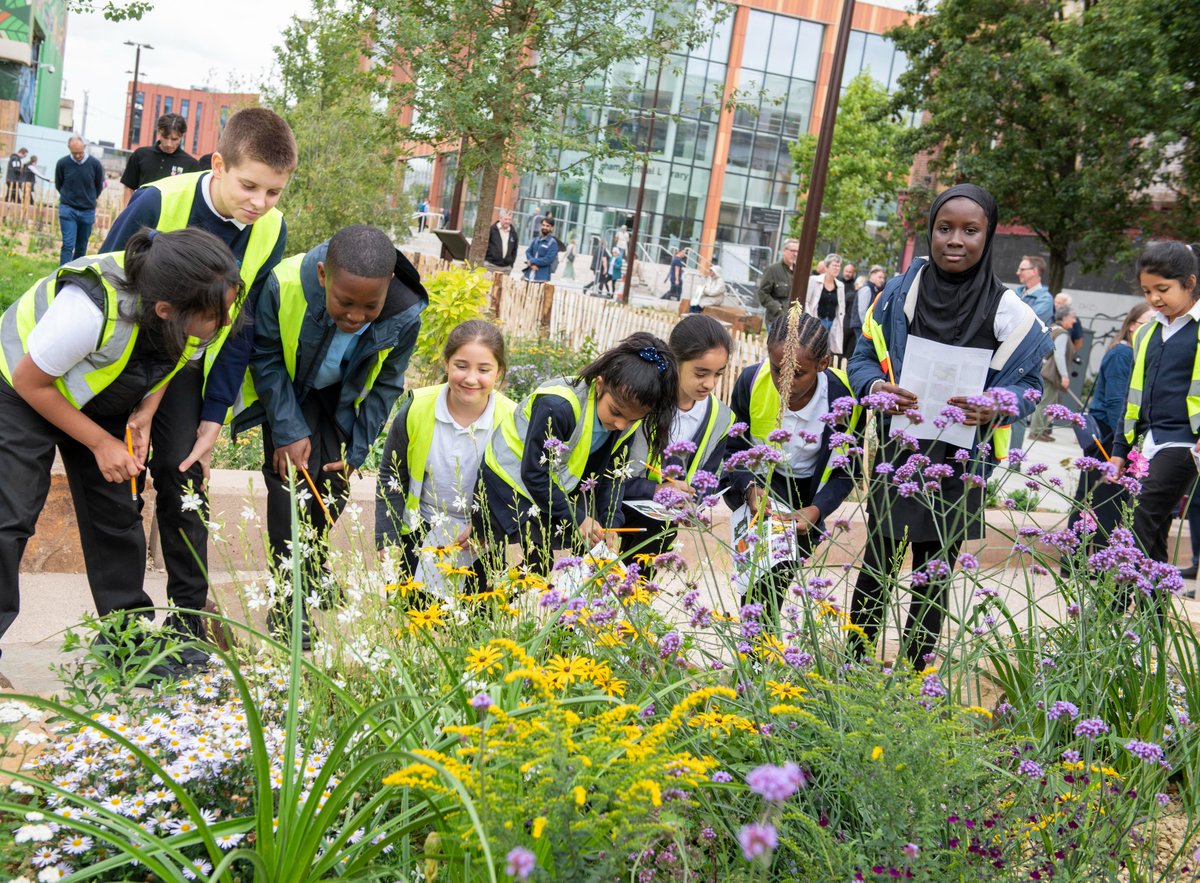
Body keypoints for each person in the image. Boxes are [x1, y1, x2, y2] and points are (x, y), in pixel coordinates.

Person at [0, 228, 242, 674]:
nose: (225, 323)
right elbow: (31, 382)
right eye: (216, 317)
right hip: (22, 388)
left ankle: (124, 640)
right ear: (166, 310)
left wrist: (146, 410)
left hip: (97, 396)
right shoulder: (89, 311)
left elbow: (181, 353)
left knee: (117, 514)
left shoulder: (196, 302)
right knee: (10, 517)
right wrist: (98, 441)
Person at [101, 107, 297, 654]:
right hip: (121, 359)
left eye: (274, 192)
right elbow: (102, 288)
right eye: (249, 185)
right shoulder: (158, 201)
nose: (259, 203)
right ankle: (121, 630)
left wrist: (213, 421)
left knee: (184, 474)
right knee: (119, 479)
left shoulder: (271, 229)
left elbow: (240, 329)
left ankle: (188, 625)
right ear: (217, 164)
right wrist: (134, 401)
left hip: (186, 366)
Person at [848, 183, 1050, 667]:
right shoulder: (900, 294)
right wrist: (877, 389)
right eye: (944, 228)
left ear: (990, 236)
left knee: (935, 570)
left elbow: (1030, 388)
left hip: (961, 460)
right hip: (901, 449)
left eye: (969, 230)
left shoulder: (1009, 313)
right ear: (930, 232)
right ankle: (853, 663)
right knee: (878, 559)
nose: (954, 239)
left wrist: (998, 407)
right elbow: (861, 360)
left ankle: (916, 672)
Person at [236, 225, 426, 647]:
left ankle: (314, 564)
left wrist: (359, 448)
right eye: (345, 302)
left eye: (369, 307)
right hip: (288, 388)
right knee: (294, 485)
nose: (356, 316)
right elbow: (264, 355)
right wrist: (286, 429)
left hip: (343, 397)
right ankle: (289, 603)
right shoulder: (283, 284)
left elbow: (387, 383)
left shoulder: (405, 312)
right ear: (323, 275)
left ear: (389, 286)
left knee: (334, 483)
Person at [477, 332, 678, 576]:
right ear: (600, 385)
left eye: (633, 419)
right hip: (506, 481)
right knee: (523, 560)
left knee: (563, 557)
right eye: (615, 412)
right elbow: (534, 474)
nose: (622, 424)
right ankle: (480, 606)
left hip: (550, 487)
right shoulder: (559, 406)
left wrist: (611, 524)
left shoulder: (625, 422)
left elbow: (613, 478)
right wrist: (578, 518)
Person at [726, 311, 864, 615]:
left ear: (823, 364)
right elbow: (732, 451)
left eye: (798, 374)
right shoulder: (751, 381)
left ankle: (761, 653)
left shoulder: (844, 399)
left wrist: (816, 510)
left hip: (806, 496)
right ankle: (757, 655)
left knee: (777, 580)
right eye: (778, 371)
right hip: (760, 488)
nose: (785, 383)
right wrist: (748, 488)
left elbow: (846, 471)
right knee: (758, 585)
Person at [375, 320, 514, 597]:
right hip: (421, 531)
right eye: (461, 365)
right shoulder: (418, 408)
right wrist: (387, 535)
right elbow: (392, 473)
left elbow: (519, 487)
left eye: (484, 369)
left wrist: (490, 527)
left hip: (480, 541)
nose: (471, 378)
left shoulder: (512, 419)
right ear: (446, 363)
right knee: (418, 619)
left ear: (498, 373)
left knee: (475, 626)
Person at [1110, 241, 1200, 607]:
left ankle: (1110, 611)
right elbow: (1133, 396)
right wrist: (1120, 450)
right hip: (1149, 441)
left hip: (1186, 442)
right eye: (1147, 291)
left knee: (1139, 515)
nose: (1154, 299)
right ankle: (1154, 631)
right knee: (1156, 532)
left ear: (1189, 282)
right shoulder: (1146, 332)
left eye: (1163, 289)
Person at [621, 316, 734, 571]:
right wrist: (654, 490)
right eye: (701, 373)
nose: (710, 384)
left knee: (637, 592)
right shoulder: (643, 396)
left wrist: (693, 501)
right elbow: (609, 468)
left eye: (718, 374)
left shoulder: (720, 418)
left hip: (659, 529)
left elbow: (708, 477)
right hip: (615, 513)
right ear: (675, 360)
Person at [1071, 302, 1151, 559]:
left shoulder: (1133, 354)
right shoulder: (1123, 354)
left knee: (1093, 497)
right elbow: (1118, 401)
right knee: (1101, 499)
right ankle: (1081, 558)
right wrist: (1126, 442)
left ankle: (1079, 558)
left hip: (1110, 434)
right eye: (1145, 323)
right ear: (1131, 327)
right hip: (1107, 435)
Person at [119, 112, 199, 203]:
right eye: (165, 137)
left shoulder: (191, 165)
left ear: (182, 136)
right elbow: (128, 188)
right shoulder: (140, 155)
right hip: (141, 214)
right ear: (158, 131)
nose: (169, 144)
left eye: (174, 139)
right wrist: (127, 214)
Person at [1027, 305, 1076, 442]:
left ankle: (1040, 431)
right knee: (1045, 403)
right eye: (1072, 318)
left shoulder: (1052, 328)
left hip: (1043, 370)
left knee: (1047, 402)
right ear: (1065, 317)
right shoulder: (1062, 334)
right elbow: (1059, 355)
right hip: (1051, 373)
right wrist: (1065, 375)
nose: (1074, 321)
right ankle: (1036, 431)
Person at [54, 137, 105, 266]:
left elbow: (98, 186)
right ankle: (63, 273)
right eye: (74, 153)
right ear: (69, 149)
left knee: (81, 247)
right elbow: (59, 184)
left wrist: (90, 198)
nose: (78, 156)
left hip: (87, 211)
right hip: (68, 209)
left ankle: (75, 274)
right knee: (68, 244)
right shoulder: (62, 163)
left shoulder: (95, 165)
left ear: (84, 148)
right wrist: (68, 197)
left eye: (80, 153)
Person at [805, 253, 847, 359]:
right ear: (827, 267)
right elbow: (807, 301)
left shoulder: (840, 285)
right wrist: (810, 319)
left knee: (828, 352)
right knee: (813, 348)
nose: (837, 268)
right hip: (817, 320)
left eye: (839, 266)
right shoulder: (814, 280)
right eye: (834, 266)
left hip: (833, 323)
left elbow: (841, 307)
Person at [756, 239, 798, 328]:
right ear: (784, 251)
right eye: (792, 251)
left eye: (797, 251)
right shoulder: (773, 270)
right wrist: (778, 309)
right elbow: (762, 293)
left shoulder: (800, 272)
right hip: (776, 322)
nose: (795, 254)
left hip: (794, 323)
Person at [1015, 255, 1053, 326]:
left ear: (1034, 271)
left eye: (1022, 269)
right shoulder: (1015, 293)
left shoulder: (1046, 299)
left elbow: (1030, 323)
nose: (1018, 273)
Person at [523, 217, 559, 283]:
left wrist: (532, 261)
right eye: (543, 225)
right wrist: (532, 264)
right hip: (528, 275)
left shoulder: (553, 243)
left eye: (547, 226)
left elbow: (548, 259)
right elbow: (528, 252)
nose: (545, 227)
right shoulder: (536, 239)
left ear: (552, 228)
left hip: (541, 278)